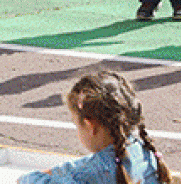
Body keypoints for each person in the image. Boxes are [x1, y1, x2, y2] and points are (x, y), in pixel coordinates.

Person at [18, 71, 171, 184]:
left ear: (90, 125)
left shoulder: (85, 174)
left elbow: (26, 181)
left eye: (76, 124)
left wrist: (59, 172)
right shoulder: (148, 154)